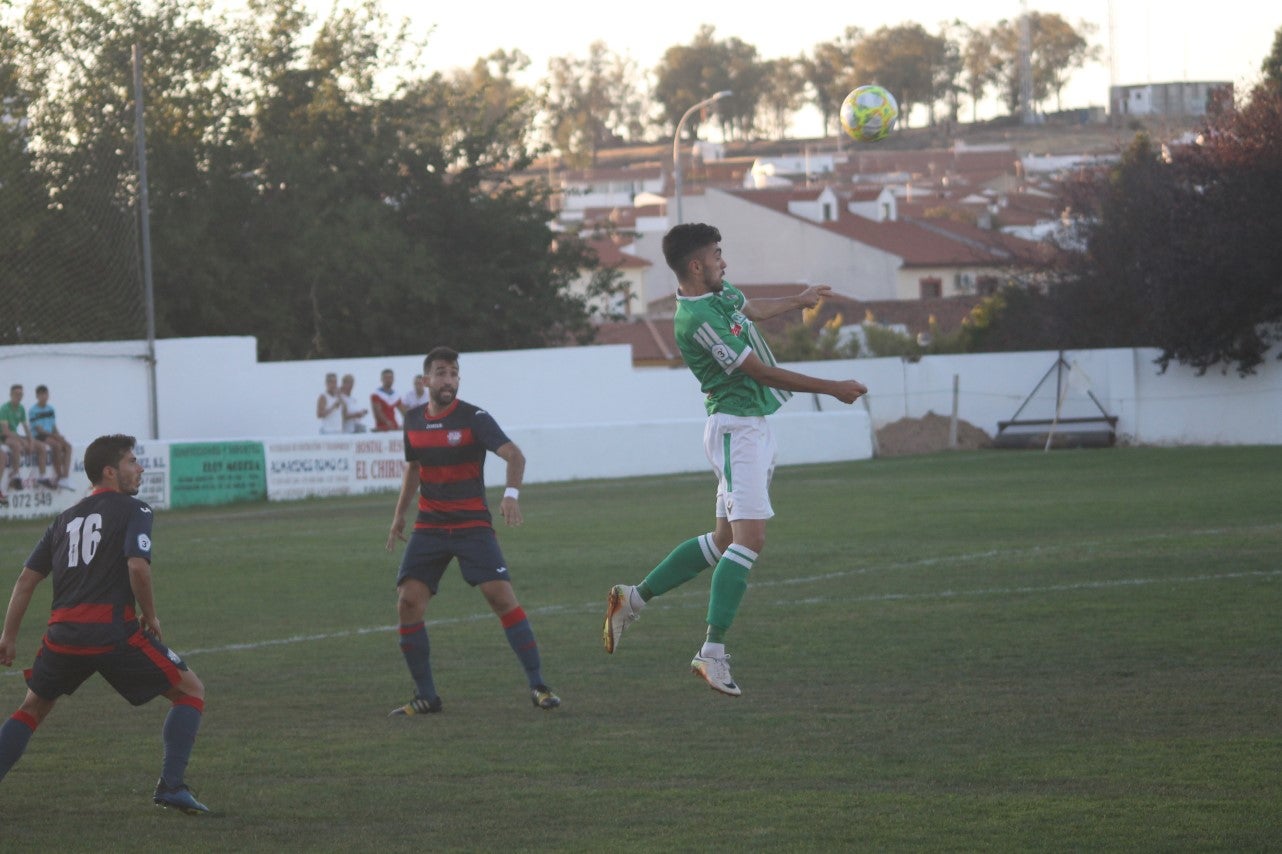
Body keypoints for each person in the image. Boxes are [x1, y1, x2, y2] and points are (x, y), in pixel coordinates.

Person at [601, 223, 868, 697]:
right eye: (718, 255)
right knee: (751, 540)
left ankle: (632, 598)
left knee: (725, 541)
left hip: (750, 427)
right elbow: (759, 370)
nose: (725, 262)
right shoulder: (697, 320)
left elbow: (752, 310)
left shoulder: (720, 295)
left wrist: (797, 299)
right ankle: (712, 652)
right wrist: (833, 387)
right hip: (735, 429)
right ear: (697, 266)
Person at [0, 434, 210, 814]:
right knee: (191, 691)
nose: (140, 467)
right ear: (111, 471)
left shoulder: (63, 519)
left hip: (62, 636)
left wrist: (8, 637)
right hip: (113, 633)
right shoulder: (135, 510)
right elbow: (137, 567)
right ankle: (172, 786)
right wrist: (150, 614)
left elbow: (26, 581)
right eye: (133, 461)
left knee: (30, 710)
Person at [385, 346, 560, 715]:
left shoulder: (474, 418)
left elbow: (515, 455)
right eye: (441, 373)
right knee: (408, 602)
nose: (448, 380)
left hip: (472, 525)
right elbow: (414, 469)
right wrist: (399, 515)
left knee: (501, 599)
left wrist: (511, 495)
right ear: (425, 380)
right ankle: (427, 696)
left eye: (453, 373)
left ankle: (539, 685)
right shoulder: (413, 420)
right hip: (429, 526)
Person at [0, 384, 50, 490]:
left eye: (21, 394)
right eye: (17, 394)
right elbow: (5, 431)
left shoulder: (21, 408)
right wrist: (21, 440)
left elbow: (26, 428)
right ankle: (15, 474)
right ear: (11, 395)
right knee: (17, 445)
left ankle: (42, 476)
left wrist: (31, 441)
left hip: (15, 435)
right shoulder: (4, 408)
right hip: (4, 436)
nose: (19, 396)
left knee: (41, 446)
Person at [28, 385, 72, 486]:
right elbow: (38, 430)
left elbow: (53, 425)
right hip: (39, 436)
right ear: (37, 396)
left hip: (51, 435)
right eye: (41, 395)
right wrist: (55, 436)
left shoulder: (50, 409)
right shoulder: (33, 410)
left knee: (68, 446)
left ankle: (65, 477)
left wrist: (59, 435)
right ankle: (59, 475)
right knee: (56, 446)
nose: (44, 397)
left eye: (46, 394)